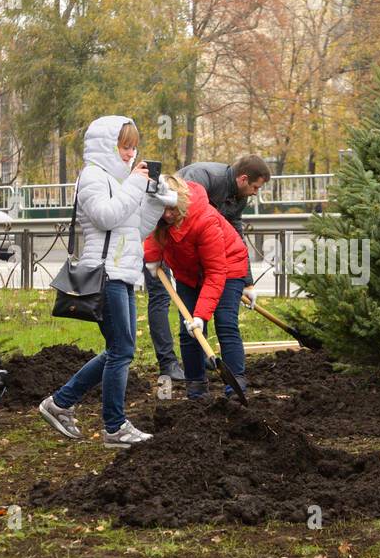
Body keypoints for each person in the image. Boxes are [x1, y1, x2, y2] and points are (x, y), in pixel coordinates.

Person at [38, 116, 177, 446]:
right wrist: (135, 185)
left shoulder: (119, 181)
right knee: (122, 350)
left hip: (123, 274)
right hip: (104, 274)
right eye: (124, 146)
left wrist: (154, 201)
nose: (131, 154)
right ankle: (113, 426)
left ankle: (60, 403)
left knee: (119, 349)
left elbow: (134, 230)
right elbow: (105, 216)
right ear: (106, 145)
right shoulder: (93, 176)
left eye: (133, 147)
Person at [144, 154, 270, 386]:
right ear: (243, 179)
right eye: (254, 186)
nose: (255, 192)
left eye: (172, 210)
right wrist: (152, 258)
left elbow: (226, 251)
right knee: (188, 330)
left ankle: (236, 384)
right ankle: (195, 388)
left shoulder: (207, 217)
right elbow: (157, 225)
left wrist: (247, 282)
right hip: (189, 267)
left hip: (224, 265)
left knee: (225, 323)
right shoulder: (198, 180)